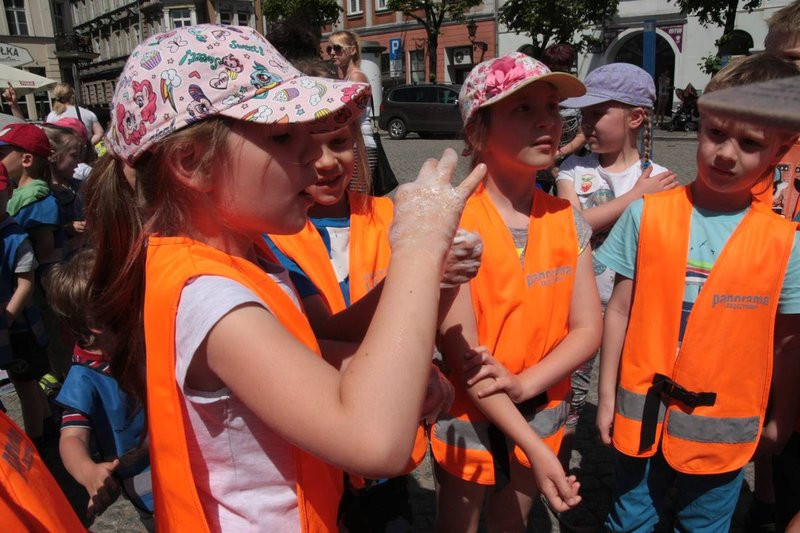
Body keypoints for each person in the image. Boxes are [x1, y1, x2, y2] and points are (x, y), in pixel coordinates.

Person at [83, 24, 487, 531]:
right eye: (282, 136)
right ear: (192, 163)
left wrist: (399, 372)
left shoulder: (242, 260)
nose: (314, 156)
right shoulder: (211, 298)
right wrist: (418, 248)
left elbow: (304, 354)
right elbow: (374, 442)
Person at [594, 54, 800, 532]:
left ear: (780, 150)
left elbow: (788, 342)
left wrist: (782, 417)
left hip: (722, 430)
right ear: (701, 124)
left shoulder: (785, 244)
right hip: (642, 416)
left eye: (750, 143)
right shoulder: (647, 215)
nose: (726, 153)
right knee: (629, 522)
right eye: (716, 134)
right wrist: (605, 395)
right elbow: (619, 310)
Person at [430, 52, 601, 532]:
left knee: (512, 523)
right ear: (476, 131)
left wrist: (526, 385)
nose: (547, 121)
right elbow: (465, 357)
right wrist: (531, 445)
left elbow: (588, 329)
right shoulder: (453, 222)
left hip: (541, 407)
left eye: (552, 108)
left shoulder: (566, 219)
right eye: (523, 109)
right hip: (470, 418)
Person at [554, 63, 677, 464]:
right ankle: (559, 470)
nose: (586, 124)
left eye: (597, 114)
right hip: (578, 306)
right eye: (584, 115)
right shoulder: (575, 170)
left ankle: (626, 470)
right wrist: (636, 197)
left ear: (635, 117)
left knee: (630, 390)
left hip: (633, 310)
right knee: (569, 395)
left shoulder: (661, 178)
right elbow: (573, 228)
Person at [45, 249, 153, 528]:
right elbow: (72, 437)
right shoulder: (84, 377)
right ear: (97, 323)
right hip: (149, 488)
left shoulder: (142, 341)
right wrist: (87, 470)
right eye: (132, 297)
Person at [0, 160, 51, 451]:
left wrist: (7, 318)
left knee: (26, 384)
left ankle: (36, 442)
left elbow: (26, 284)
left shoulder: (14, 236)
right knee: (25, 379)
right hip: (6, 328)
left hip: (18, 326)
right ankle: (46, 421)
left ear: (8, 194)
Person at [327, 30, 377, 190]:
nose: (332, 53)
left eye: (337, 48)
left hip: (361, 146)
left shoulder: (356, 77)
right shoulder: (346, 78)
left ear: (352, 50)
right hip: (353, 145)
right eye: (329, 49)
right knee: (351, 196)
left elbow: (350, 117)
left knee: (358, 197)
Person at [42, 121, 87, 257]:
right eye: (73, 155)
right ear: (53, 156)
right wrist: (67, 228)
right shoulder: (45, 195)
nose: (79, 162)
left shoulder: (78, 186)